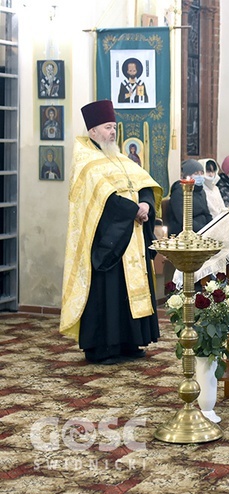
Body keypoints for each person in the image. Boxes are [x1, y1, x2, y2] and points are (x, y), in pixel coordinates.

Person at [60, 99, 162, 365]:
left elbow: (145, 184)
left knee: (126, 293)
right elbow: (103, 198)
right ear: (93, 131)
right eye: (107, 127)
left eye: (113, 127)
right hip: (107, 240)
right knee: (109, 293)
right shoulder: (85, 163)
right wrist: (133, 211)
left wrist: (146, 205)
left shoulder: (119, 158)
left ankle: (130, 341)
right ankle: (103, 348)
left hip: (132, 236)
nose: (112, 132)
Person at [167, 159, 213, 235]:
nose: (200, 176)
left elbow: (207, 214)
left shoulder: (201, 191)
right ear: (187, 175)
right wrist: (204, 230)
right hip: (185, 232)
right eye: (196, 173)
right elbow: (183, 219)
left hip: (203, 230)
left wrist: (212, 227)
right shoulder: (179, 192)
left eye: (201, 173)